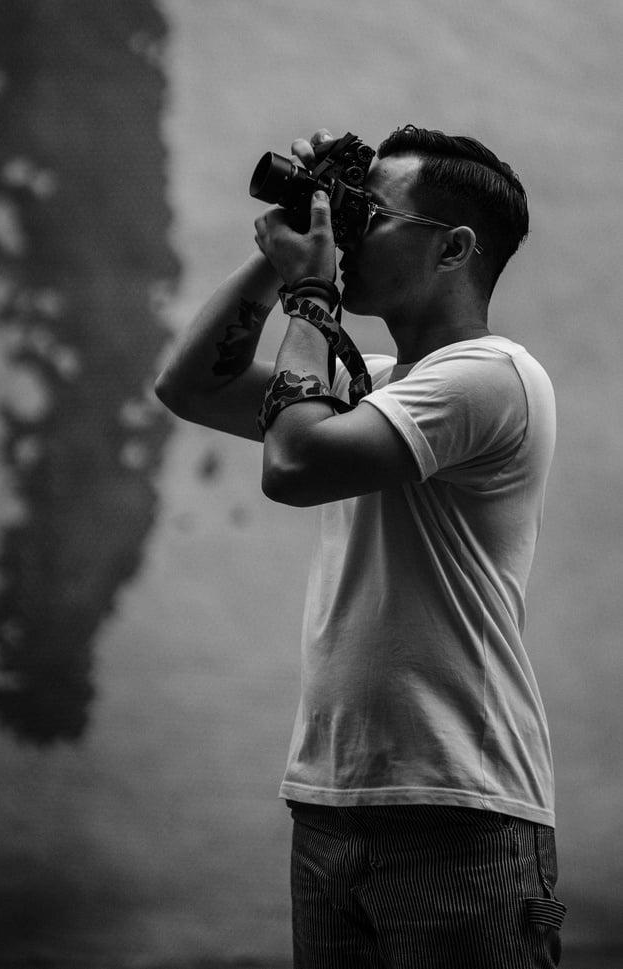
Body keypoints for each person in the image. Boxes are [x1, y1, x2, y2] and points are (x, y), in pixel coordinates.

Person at [155, 124, 566, 968]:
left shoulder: (492, 376)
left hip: (459, 810)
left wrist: (308, 296)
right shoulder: (371, 382)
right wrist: (282, 259)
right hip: (331, 799)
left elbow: (295, 462)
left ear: (453, 248)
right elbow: (190, 384)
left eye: (367, 214)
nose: (346, 233)